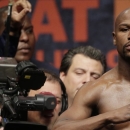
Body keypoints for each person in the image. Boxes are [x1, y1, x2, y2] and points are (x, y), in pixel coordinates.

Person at [52, 8, 130, 130]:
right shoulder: (98, 89)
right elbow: (59, 127)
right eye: (125, 29)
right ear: (114, 38)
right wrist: (110, 116)